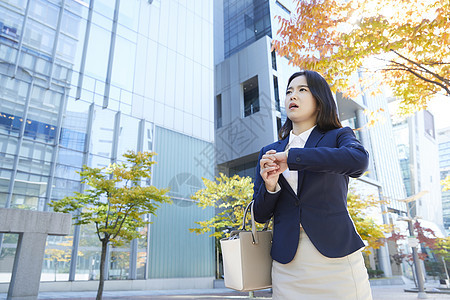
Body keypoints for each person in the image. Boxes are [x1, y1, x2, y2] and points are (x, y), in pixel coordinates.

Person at [252, 70, 372, 300]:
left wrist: (293, 158)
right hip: (287, 265)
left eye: (302, 90)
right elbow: (260, 215)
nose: (292, 96)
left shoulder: (338, 136)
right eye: (288, 92)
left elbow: (359, 161)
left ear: (319, 100)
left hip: (337, 259)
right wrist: (270, 186)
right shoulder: (268, 151)